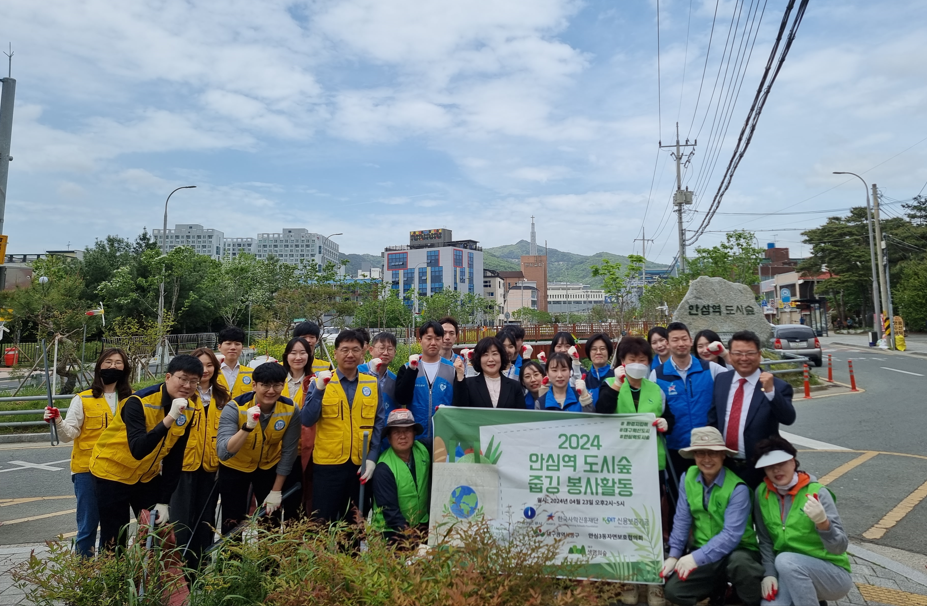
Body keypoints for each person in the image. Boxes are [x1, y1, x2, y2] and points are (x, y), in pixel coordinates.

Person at [89, 355, 202, 550]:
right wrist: (170, 418)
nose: (187, 385)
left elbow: (175, 458)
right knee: (115, 538)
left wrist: (164, 501)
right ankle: (113, 570)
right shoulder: (138, 402)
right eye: (182, 379)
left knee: (158, 532)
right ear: (168, 377)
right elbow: (138, 449)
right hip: (112, 473)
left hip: (146, 476)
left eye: (194, 381)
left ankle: (148, 569)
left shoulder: (189, 409)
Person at [595, 336, 672, 606]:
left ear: (649, 362)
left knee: (653, 523)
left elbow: (669, 418)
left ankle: (653, 581)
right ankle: (628, 577)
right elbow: (602, 412)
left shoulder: (656, 389)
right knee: (624, 522)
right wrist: (617, 383)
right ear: (622, 362)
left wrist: (666, 423)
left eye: (642, 359)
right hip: (620, 467)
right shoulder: (609, 385)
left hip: (651, 465)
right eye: (632, 359)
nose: (637, 364)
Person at [43, 348, 132, 558]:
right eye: (108, 362)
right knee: (88, 525)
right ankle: (85, 572)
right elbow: (69, 435)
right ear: (99, 366)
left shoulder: (132, 399)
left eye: (118, 363)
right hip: (87, 471)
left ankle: (112, 569)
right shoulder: (83, 399)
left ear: (125, 368)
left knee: (116, 526)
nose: (113, 366)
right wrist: (57, 421)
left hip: (120, 471)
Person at [662, 427, 765, 606]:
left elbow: (731, 535)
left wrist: (694, 558)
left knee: (740, 564)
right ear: (694, 456)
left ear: (723, 455)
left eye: (713, 453)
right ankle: (719, 590)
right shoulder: (688, 477)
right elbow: (682, 519)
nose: (707, 459)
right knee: (674, 591)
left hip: (739, 551)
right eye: (700, 453)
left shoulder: (738, 488)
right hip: (704, 550)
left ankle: (752, 601)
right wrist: (674, 555)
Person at [753, 437, 852, 605]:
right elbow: (765, 540)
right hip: (787, 570)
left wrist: (823, 523)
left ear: (793, 462)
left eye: (781, 463)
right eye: (769, 466)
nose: (776, 470)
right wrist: (769, 573)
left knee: (785, 560)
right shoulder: (762, 493)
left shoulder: (817, 492)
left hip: (831, 574)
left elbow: (839, 547)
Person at [301, 330, 386, 522]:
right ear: (336, 352)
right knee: (322, 522)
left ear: (363, 352)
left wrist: (372, 457)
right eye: (345, 349)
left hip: (360, 465)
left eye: (355, 350)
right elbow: (307, 419)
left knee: (354, 524)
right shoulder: (321, 381)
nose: (350, 354)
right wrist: (319, 390)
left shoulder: (372, 383)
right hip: (327, 465)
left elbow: (379, 422)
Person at [216, 362, 301, 533]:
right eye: (265, 385)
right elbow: (224, 452)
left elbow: (289, 452)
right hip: (235, 467)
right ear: (254, 385)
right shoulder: (235, 407)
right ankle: (230, 550)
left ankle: (269, 551)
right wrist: (247, 427)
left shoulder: (290, 409)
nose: (271, 390)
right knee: (232, 522)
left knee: (270, 522)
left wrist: (276, 490)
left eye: (277, 385)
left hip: (268, 467)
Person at [708, 331, 796, 489]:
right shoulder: (722, 380)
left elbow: (788, 418)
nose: (744, 358)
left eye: (750, 353)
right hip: (724, 465)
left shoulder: (777, 386)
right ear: (730, 355)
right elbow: (713, 419)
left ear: (759, 355)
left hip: (760, 466)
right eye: (737, 353)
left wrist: (771, 392)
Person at [169, 347, 230, 572]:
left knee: (206, 522)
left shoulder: (223, 397)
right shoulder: (182, 395)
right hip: (183, 467)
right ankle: (178, 572)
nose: (205, 370)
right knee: (180, 522)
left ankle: (200, 571)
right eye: (200, 365)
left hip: (211, 468)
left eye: (209, 365)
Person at [650, 322, 728, 480]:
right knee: (680, 491)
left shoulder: (710, 368)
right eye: (675, 340)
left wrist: (725, 354)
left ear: (691, 341)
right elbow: (653, 409)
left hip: (708, 446)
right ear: (668, 343)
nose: (681, 343)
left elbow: (737, 377)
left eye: (684, 339)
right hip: (676, 446)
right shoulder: (657, 375)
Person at [370, 408, 431, 544]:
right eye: (396, 432)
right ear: (389, 438)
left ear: (414, 433)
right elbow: (391, 514)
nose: (403, 436)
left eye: (407, 430)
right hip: (391, 533)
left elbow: (446, 441)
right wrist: (414, 542)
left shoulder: (424, 449)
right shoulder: (383, 469)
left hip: (421, 527)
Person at [394, 321, 455, 440]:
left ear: (442, 340)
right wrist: (411, 371)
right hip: (415, 437)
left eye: (437, 339)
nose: (433, 343)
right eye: (429, 338)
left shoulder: (452, 369)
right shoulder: (407, 368)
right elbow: (401, 399)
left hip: (444, 438)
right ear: (420, 340)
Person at [452, 337, 524, 409]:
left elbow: (521, 414)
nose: (491, 359)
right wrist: (460, 374)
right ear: (478, 359)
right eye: (485, 354)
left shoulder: (515, 386)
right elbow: (460, 409)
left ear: (501, 357)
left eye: (495, 354)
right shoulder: (468, 384)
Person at [216, 326, 254, 399]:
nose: (233, 347)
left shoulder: (251, 373)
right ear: (219, 347)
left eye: (237, 344)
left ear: (242, 347)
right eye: (228, 343)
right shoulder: (211, 373)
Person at [582, 332, 614, 403]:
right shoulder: (584, 380)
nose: (598, 352)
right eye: (594, 349)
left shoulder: (616, 377)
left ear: (608, 352)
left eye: (602, 349)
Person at [281, 337, 313, 405]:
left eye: (302, 353)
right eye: (293, 353)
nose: (298, 357)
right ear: (286, 356)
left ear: (308, 356)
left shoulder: (313, 381)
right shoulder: (277, 380)